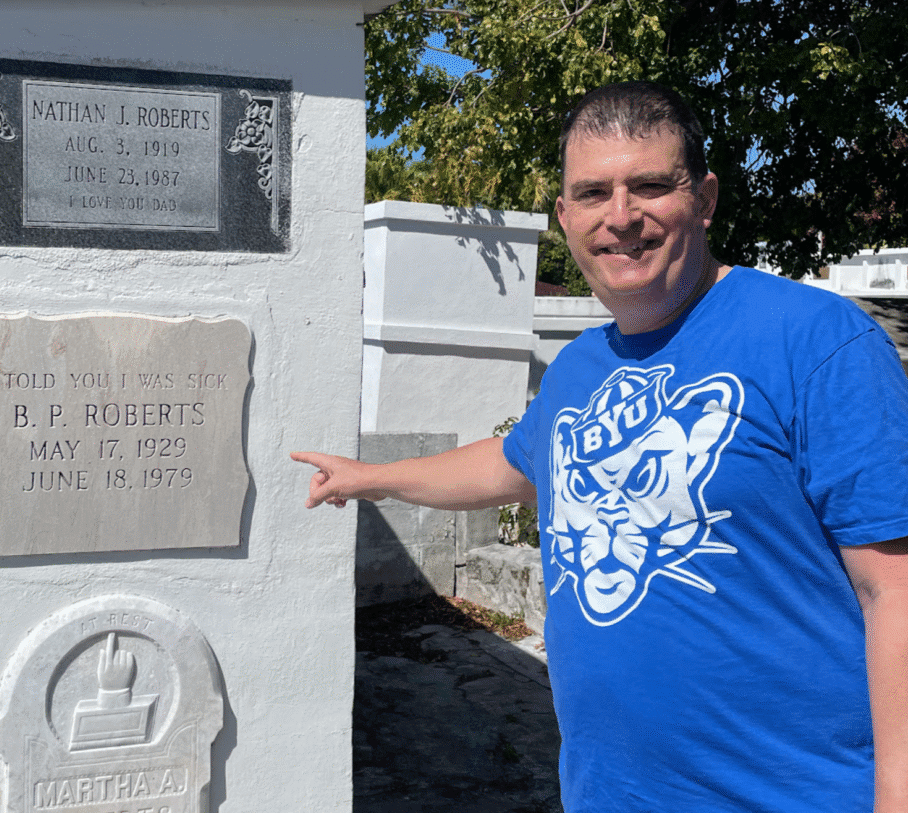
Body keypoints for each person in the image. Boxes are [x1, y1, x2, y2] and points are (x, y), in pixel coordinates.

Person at [292, 82, 908, 812]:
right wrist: (372, 476)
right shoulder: (583, 365)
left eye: (650, 185)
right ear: (564, 215)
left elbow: (893, 588)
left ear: (704, 198)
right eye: (593, 193)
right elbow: (516, 463)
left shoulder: (817, 342)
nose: (621, 217)